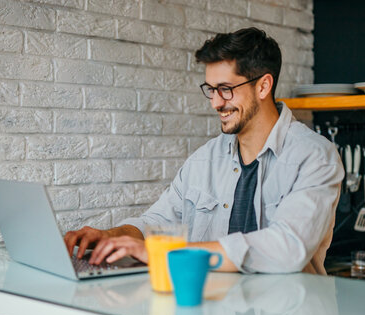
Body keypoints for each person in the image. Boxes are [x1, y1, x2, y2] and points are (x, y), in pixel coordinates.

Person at [64, 27, 344, 274]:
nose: (215, 103)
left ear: (263, 85)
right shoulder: (204, 159)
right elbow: (156, 222)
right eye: (211, 89)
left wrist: (171, 254)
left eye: (225, 89)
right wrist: (111, 236)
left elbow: (288, 248)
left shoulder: (314, 156)